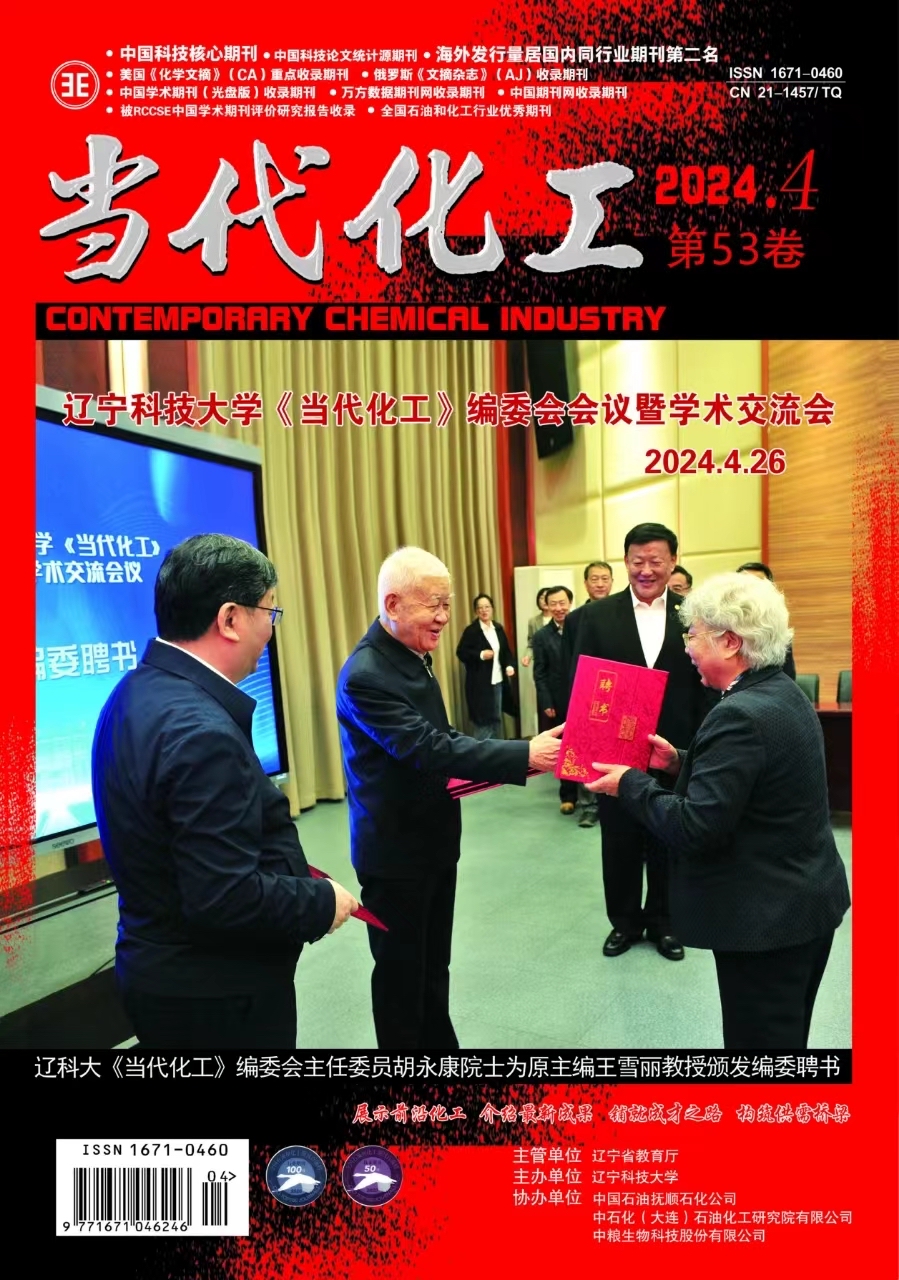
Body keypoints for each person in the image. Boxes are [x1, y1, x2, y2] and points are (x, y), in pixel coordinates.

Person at [91, 533, 359, 1050]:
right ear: (231, 618)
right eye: (270, 612)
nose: (271, 631)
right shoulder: (201, 733)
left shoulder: (134, 692)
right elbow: (225, 897)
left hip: (160, 971)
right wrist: (320, 901)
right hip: (217, 995)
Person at [586, 572, 850, 1049]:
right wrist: (678, 762)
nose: (687, 647)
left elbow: (695, 826)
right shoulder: (781, 692)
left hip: (768, 922)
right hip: (803, 902)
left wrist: (630, 783)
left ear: (730, 642)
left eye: (693, 635)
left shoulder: (738, 714)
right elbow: (752, 780)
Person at [336, 546, 563, 1052]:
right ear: (393, 604)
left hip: (434, 842)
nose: (443, 616)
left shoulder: (410, 655)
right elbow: (428, 748)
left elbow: (443, 737)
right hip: (396, 855)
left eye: (447, 603)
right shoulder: (367, 673)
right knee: (401, 977)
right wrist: (526, 753)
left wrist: (526, 751)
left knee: (432, 967)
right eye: (432, 604)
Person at [569, 522, 712, 960]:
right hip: (614, 752)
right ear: (625, 562)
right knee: (619, 840)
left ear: (673, 561)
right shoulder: (596, 616)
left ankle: (666, 923)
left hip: (675, 749)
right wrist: (582, 750)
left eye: (655, 561)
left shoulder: (692, 615)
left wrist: (699, 748)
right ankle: (625, 922)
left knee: (670, 838)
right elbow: (581, 685)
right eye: (637, 561)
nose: (645, 570)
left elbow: (707, 685)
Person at [565, 562, 614, 826]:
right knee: (586, 751)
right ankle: (589, 806)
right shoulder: (575, 618)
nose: (600, 583)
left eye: (605, 578)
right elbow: (569, 659)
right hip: (587, 693)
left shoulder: (622, 614)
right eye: (594, 579)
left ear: (612, 582)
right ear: (585, 584)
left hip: (617, 692)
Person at [532, 585, 579, 815]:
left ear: (570, 603)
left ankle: (593, 795)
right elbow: (540, 672)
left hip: (583, 695)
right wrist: (546, 701)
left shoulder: (580, 628)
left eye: (562, 603)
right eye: (553, 604)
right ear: (546, 606)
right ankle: (568, 795)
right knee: (566, 746)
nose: (559, 608)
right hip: (558, 700)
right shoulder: (541, 636)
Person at [456, 593, 517, 740]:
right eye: (480, 608)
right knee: (483, 722)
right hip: (480, 684)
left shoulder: (498, 628)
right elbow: (461, 652)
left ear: (492, 609)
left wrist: (509, 665)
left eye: (487, 607)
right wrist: (481, 654)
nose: (484, 610)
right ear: (476, 611)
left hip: (498, 681)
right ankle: (481, 752)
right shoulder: (472, 631)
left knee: (496, 719)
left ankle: (495, 751)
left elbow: (506, 652)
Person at [737, 562, 796, 678]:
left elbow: (786, 677)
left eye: (757, 585)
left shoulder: (779, 633)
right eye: (744, 584)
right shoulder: (717, 626)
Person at [521, 586, 551, 667]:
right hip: (540, 663)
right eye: (542, 598)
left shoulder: (561, 619)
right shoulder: (533, 621)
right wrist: (527, 656)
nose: (544, 600)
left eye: (547, 597)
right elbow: (531, 644)